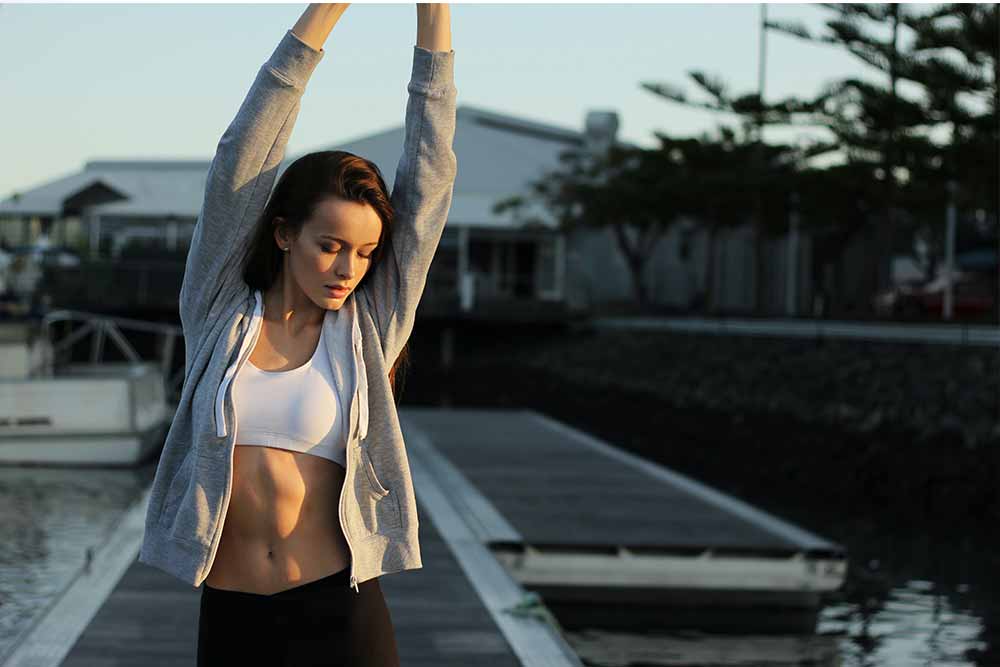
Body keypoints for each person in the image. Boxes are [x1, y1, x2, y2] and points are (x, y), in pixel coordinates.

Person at [136, 4, 457, 665]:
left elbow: (429, 182)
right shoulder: (219, 312)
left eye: (365, 252)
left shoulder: (369, 330)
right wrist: (327, 10)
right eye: (330, 245)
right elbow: (239, 160)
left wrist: (433, 17)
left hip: (340, 608)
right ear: (284, 234)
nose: (348, 268)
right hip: (231, 615)